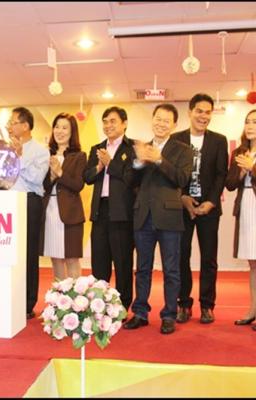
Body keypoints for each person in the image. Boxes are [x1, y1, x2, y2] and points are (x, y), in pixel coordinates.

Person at [123, 103, 192, 334]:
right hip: (143, 215)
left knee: (171, 269)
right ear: (152, 120)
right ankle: (140, 312)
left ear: (174, 125)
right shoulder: (143, 148)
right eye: (158, 119)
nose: (161, 123)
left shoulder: (183, 150)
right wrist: (139, 162)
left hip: (169, 217)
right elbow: (129, 180)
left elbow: (182, 179)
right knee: (142, 268)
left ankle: (169, 314)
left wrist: (160, 159)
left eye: (166, 120)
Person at [172, 93, 228, 324]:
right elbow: (171, 174)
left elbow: (221, 174)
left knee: (209, 259)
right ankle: (183, 304)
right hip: (181, 209)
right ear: (190, 112)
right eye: (199, 111)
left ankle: (207, 305)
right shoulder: (176, 139)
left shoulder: (219, 140)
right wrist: (182, 197)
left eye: (208, 112)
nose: (203, 116)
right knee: (181, 256)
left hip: (209, 209)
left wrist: (211, 202)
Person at [83, 106, 136, 312]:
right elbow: (87, 177)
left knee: (123, 263)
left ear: (124, 123)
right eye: (105, 121)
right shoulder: (97, 148)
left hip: (122, 213)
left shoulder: (132, 148)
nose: (108, 125)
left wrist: (110, 164)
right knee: (99, 263)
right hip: (100, 211)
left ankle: (122, 307)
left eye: (112, 121)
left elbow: (132, 178)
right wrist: (98, 167)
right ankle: (99, 306)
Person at [7, 107, 49, 319]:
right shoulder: (6, 148)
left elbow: (37, 179)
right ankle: (10, 298)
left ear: (25, 126)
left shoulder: (40, 151)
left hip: (29, 202)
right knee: (10, 252)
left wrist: (20, 157)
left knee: (28, 253)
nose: (9, 126)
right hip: (8, 203)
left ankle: (27, 302)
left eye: (13, 122)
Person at [40, 113, 86, 280]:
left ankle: (75, 295)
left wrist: (60, 172)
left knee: (71, 258)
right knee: (56, 258)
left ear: (72, 132)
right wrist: (51, 177)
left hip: (70, 214)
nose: (59, 131)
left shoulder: (79, 156)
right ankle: (58, 294)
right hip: (49, 211)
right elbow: (42, 186)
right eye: (57, 127)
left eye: (65, 128)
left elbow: (78, 185)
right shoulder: (45, 154)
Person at [225, 109, 256, 330]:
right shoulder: (239, 151)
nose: (250, 125)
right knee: (253, 262)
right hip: (246, 205)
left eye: (255, 121)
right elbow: (229, 184)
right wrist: (242, 173)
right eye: (248, 122)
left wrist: (252, 169)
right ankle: (253, 308)